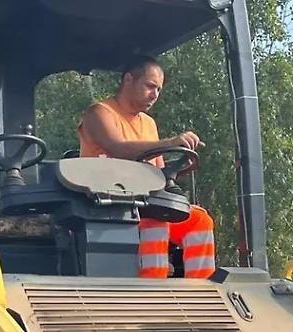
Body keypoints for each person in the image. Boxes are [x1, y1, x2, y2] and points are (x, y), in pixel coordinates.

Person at [77, 55, 216, 279]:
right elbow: (119, 148)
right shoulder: (99, 113)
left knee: (199, 220)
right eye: (150, 86)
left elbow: (158, 171)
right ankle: (152, 287)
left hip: (144, 202)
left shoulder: (149, 123)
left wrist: (179, 166)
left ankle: (202, 293)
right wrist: (171, 143)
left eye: (159, 90)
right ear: (129, 80)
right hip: (106, 204)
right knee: (156, 218)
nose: (155, 95)